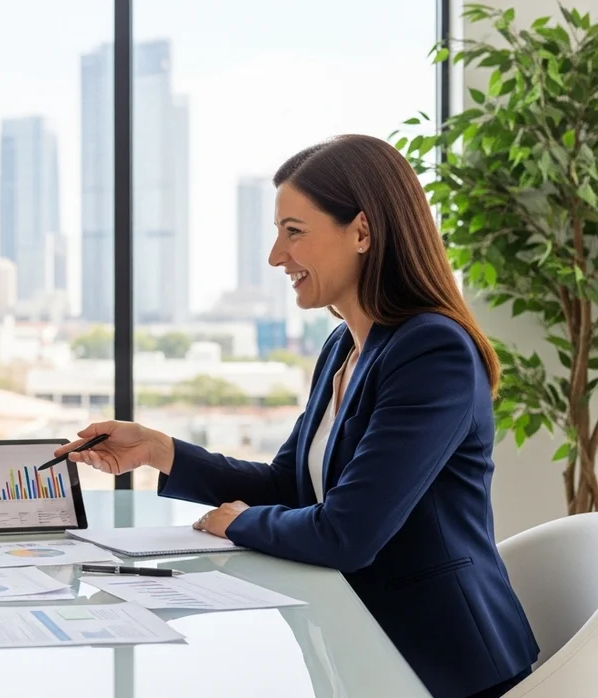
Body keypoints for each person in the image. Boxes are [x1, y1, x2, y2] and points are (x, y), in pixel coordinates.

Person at [58, 135, 539, 698]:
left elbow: (347, 533)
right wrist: (160, 450)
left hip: (439, 665)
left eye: (294, 232)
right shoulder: (344, 347)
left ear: (362, 232)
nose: (275, 256)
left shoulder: (433, 352)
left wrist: (237, 523)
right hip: (354, 645)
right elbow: (289, 487)